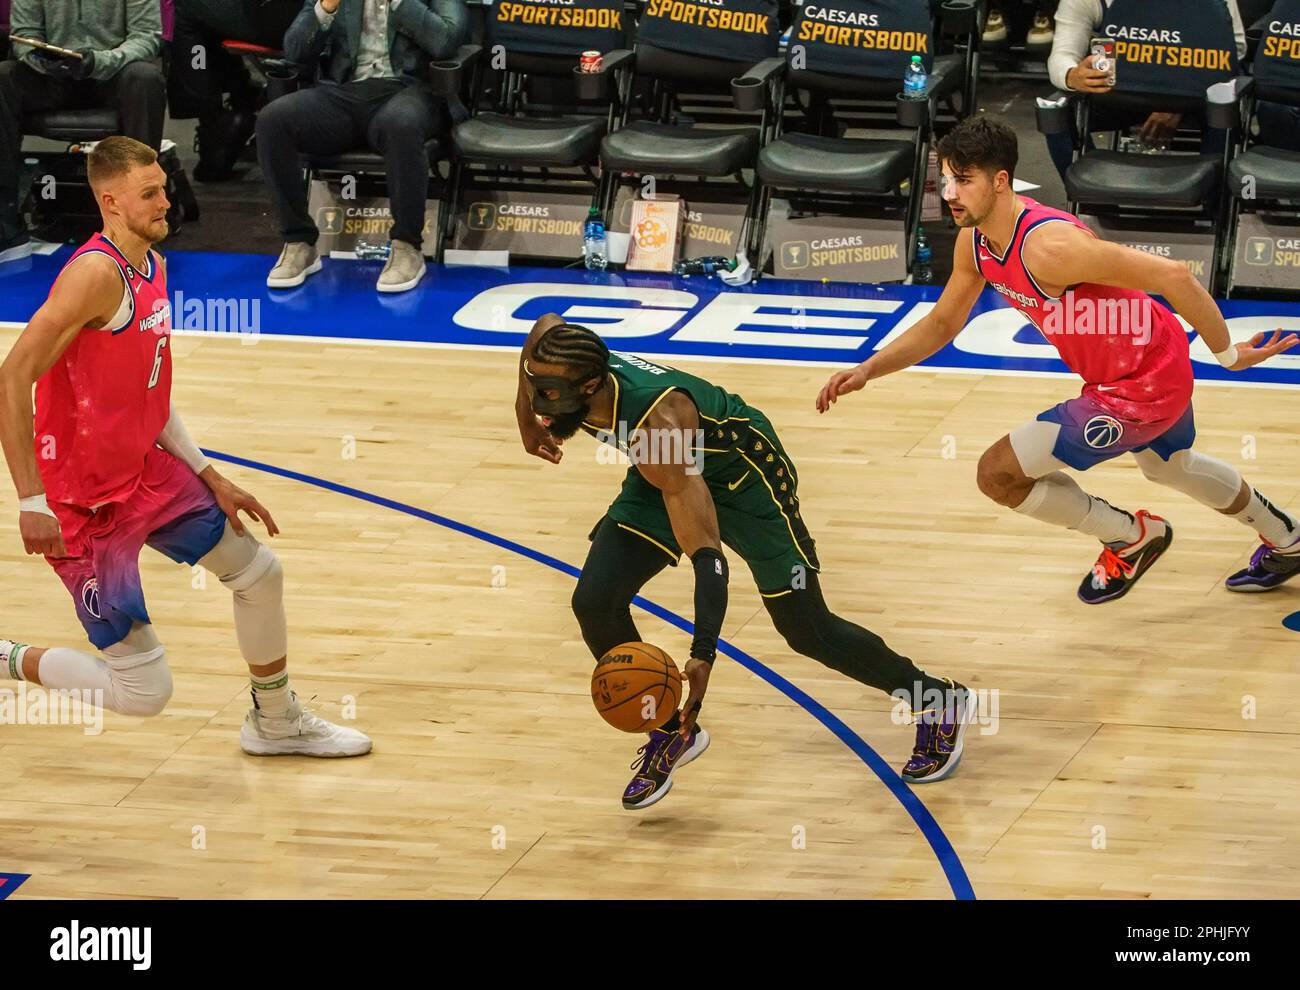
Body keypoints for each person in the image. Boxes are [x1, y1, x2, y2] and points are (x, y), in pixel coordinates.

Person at [818, 114, 1300, 602]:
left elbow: (1175, 276)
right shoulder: (976, 241)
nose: (949, 193)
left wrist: (1228, 354)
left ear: (1000, 181)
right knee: (1170, 467)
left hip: (1142, 382)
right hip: (1142, 357)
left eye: (963, 180)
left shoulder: (1050, 247)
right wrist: (869, 369)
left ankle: (1132, 538)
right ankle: (1290, 538)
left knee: (997, 474)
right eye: (946, 179)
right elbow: (943, 323)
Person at [0, 135, 371, 757]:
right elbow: (13, 376)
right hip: (82, 505)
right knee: (145, 693)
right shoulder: (94, 275)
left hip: (145, 471)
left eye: (164, 188)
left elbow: (149, 387)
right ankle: (8, 658)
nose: (165, 202)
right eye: (150, 194)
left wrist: (208, 473)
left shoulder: (153, 263)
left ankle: (275, 720)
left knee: (259, 573)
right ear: (110, 201)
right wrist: (31, 499)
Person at [516, 315, 976, 811]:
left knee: (806, 629)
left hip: (743, 476)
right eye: (533, 386)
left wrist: (703, 652)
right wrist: (525, 419)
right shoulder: (556, 368)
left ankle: (936, 698)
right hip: (662, 471)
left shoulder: (657, 422)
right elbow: (544, 325)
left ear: (589, 385)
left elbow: (707, 557)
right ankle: (676, 730)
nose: (539, 401)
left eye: (546, 394)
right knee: (595, 602)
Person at [256, 0, 466, 293]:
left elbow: (446, 41)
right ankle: (299, 241)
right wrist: (326, 8)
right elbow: (294, 50)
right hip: (345, 92)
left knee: (400, 124)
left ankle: (407, 247)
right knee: (273, 120)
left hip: (411, 90)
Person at [0, 0, 166, 262]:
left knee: (145, 78)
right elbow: (24, 35)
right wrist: (42, 60)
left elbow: (146, 37)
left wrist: (97, 62)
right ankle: (5, 222)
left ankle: (139, 224)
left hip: (112, 74)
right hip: (52, 77)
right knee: (4, 75)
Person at [1043, 0, 1247, 179]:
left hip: (1192, 99)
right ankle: (1092, 200)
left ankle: (1215, 205)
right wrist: (1072, 75)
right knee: (1057, 113)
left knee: (1224, 112)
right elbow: (1061, 55)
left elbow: (1235, 49)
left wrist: (1177, 101)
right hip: (1122, 98)